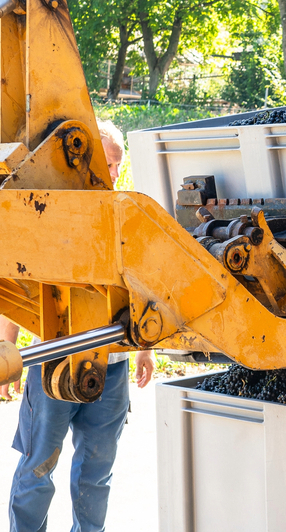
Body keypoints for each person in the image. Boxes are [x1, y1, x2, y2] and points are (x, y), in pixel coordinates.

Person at [4, 119, 155, 532]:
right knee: (38, 467)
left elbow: (146, 288)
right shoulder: (50, 214)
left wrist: (145, 350)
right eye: (108, 163)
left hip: (113, 366)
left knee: (97, 470)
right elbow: (20, 289)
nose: (114, 173)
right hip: (54, 361)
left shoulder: (128, 212)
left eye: (119, 165)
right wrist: (8, 351)